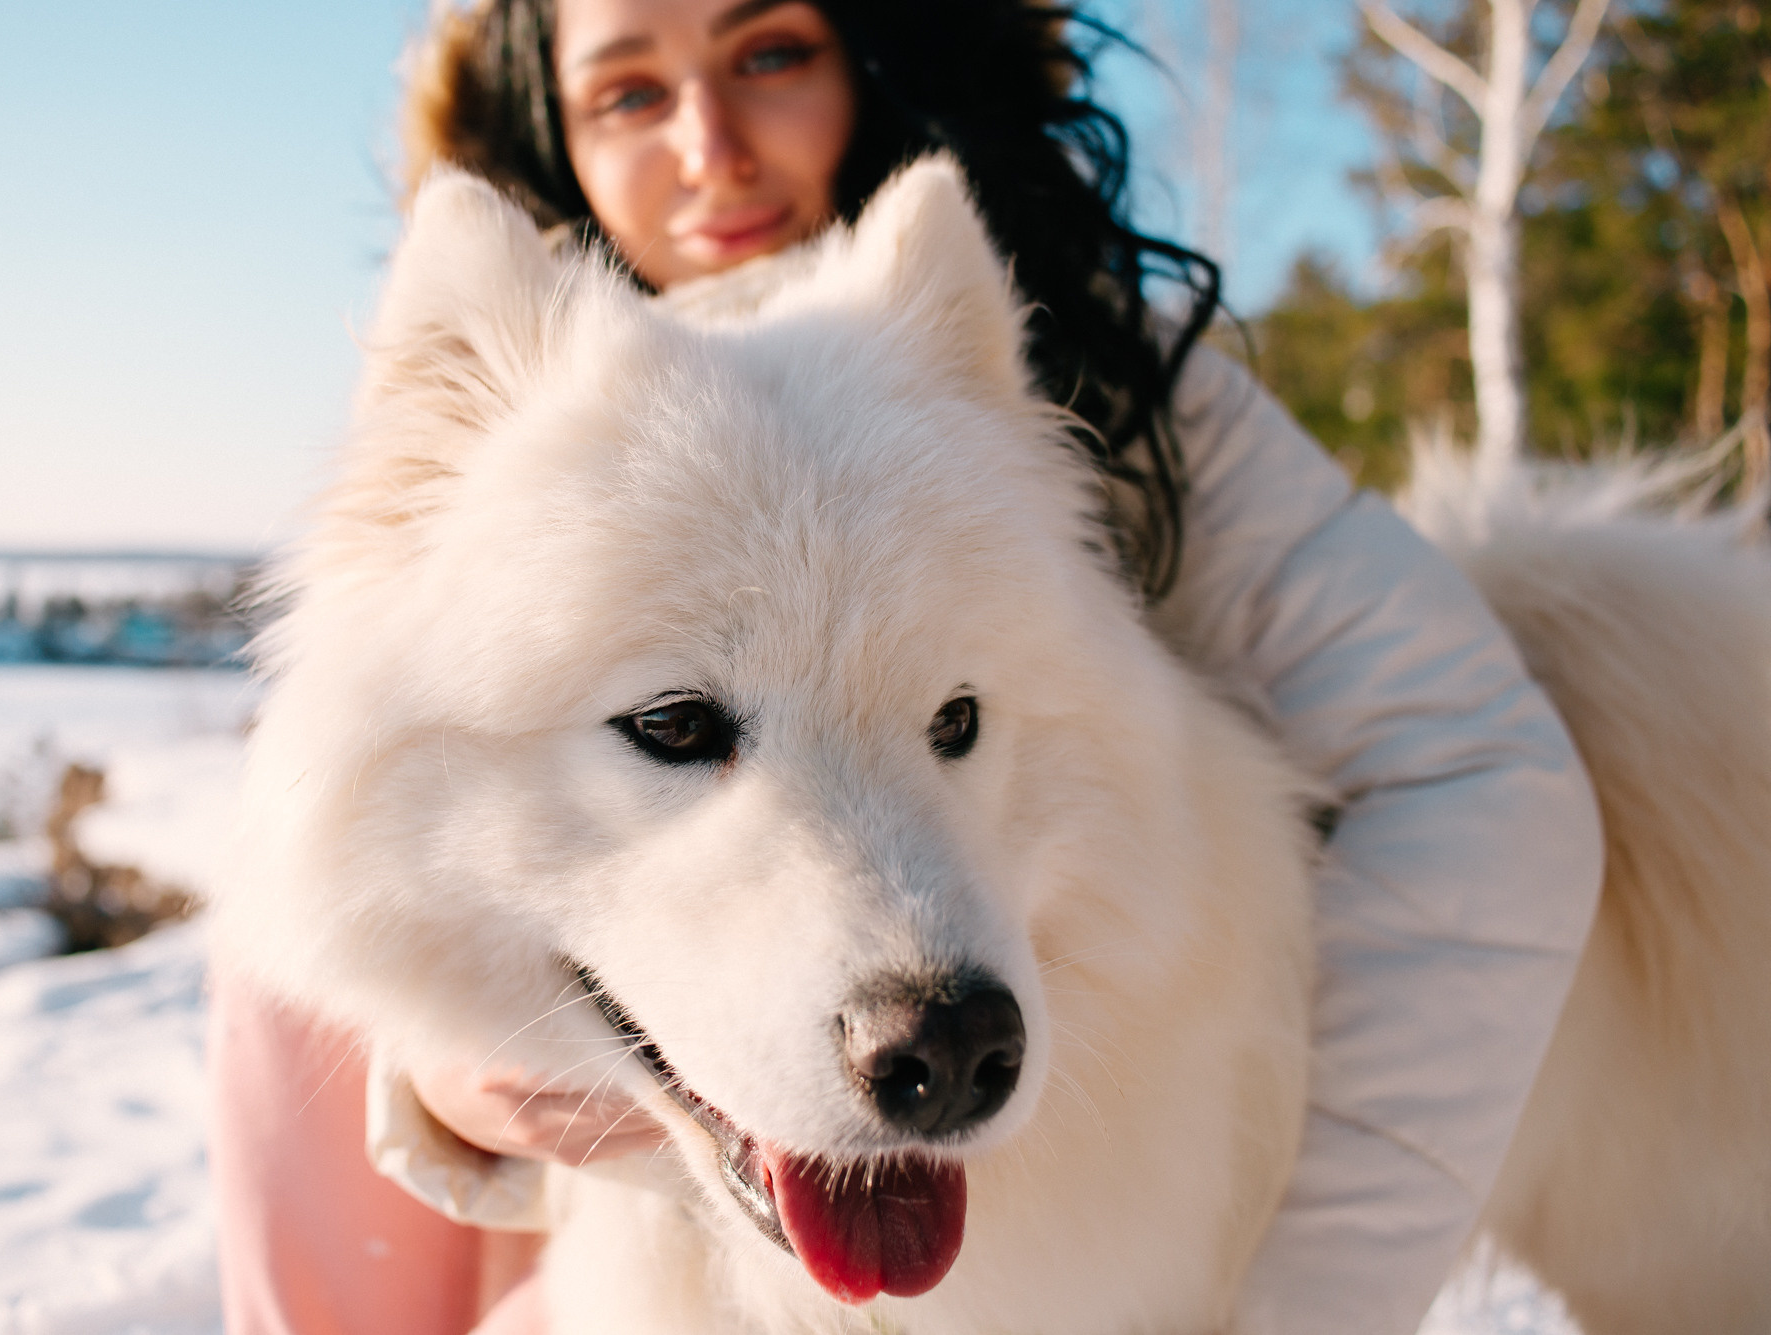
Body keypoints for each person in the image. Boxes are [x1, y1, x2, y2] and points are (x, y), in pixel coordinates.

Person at [209, 2, 1606, 1332]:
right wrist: (446, 1074)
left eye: (770, 51)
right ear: (547, 131)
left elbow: (1476, 769)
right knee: (272, 971)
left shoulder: (1082, 367)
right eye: (629, 89)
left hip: (1188, 1150)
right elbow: (378, 822)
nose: (710, 143)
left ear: (879, 53)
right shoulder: (521, 434)